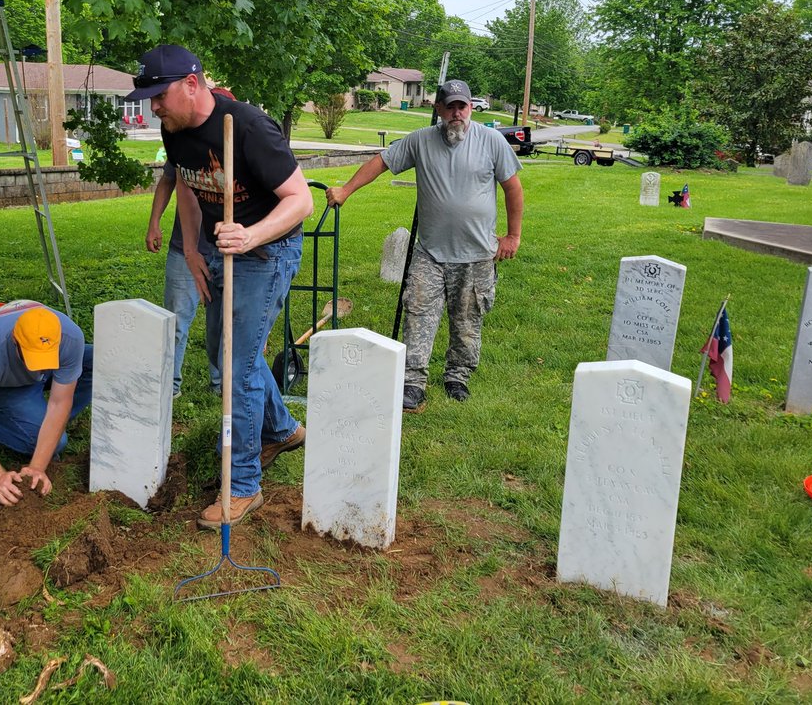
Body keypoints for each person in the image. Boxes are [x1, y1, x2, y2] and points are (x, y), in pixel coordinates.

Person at [125, 44, 313, 530]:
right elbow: (188, 189)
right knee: (222, 352)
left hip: (267, 250)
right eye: (149, 98)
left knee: (235, 366)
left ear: (192, 84)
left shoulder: (248, 127)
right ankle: (282, 429)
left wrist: (251, 235)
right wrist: (191, 250)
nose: (154, 107)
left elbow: (300, 201)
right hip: (218, 250)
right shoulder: (175, 131)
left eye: (159, 96)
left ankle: (243, 485)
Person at [326, 79, 524, 413]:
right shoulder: (420, 141)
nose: (457, 113)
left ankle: (458, 376)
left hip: (476, 254)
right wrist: (346, 190)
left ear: (470, 108)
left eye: (462, 106)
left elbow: (513, 188)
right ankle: (413, 382)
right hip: (430, 253)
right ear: (439, 109)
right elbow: (381, 162)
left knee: (467, 320)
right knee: (417, 314)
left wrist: (513, 236)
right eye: (450, 106)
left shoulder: (491, 141)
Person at [0, 301, 93, 506]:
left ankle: (42, 422)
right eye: (34, 360)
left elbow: (59, 402)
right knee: (57, 442)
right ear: (15, 340)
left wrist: (37, 467)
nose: (40, 368)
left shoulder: (70, 337)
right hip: (6, 384)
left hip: (37, 372)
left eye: (46, 359)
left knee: (97, 362)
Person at [146, 162, 222, 397]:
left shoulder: (241, 144)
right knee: (175, 322)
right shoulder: (184, 145)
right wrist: (154, 222)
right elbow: (168, 180)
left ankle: (223, 384)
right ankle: (170, 386)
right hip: (184, 251)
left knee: (224, 323)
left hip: (228, 250)